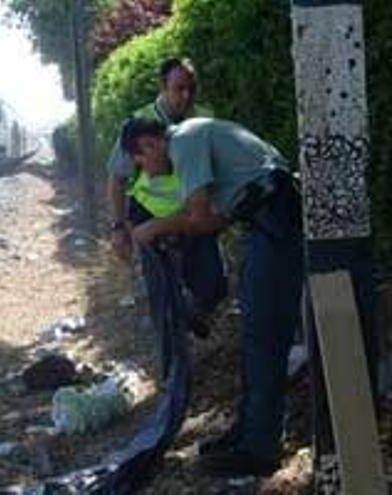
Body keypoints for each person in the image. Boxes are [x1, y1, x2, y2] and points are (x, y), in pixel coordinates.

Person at [120, 117, 304, 477]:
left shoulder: (185, 141)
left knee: (264, 337)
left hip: (278, 221)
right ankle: (249, 431)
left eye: (141, 161)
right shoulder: (194, 137)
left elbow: (199, 218)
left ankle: (261, 448)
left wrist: (153, 228)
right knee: (254, 334)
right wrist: (167, 230)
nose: (148, 172)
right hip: (267, 222)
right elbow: (215, 218)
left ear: (151, 144)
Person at [106, 58, 227, 380]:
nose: (185, 96)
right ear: (162, 88)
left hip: (192, 214)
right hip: (149, 219)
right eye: (178, 89)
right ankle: (172, 374)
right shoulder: (137, 124)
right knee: (162, 294)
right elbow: (117, 180)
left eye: (190, 88)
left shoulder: (202, 120)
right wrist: (118, 228)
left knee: (214, 284)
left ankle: (189, 314)